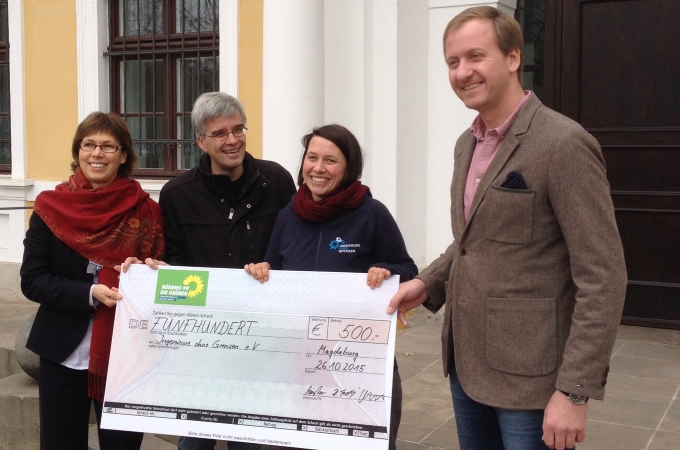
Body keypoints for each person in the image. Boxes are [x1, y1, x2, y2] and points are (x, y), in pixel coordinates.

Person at [386, 6, 627, 450]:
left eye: (475, 56)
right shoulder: (467, 143)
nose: (462, 72)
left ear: (513, 57)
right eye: (452, 62)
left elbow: (604, 277)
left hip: (533, 380)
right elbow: (470, 241)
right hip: (466, 364)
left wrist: (575, 390)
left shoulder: (563, 144)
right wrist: (426, 283)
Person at [125, 92, 296, 450]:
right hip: (204, 339)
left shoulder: (276, 181)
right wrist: (159, 273)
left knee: (249, 438)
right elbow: (174, 260)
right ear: (201, 141)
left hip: (263, 335)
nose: (232, 140)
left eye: (238, 129)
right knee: (196, 436)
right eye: (220, 133)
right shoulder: (177, 194)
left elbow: (290, 245)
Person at [244, 124, 418, 450]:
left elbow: (408, 269)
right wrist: (261, 270)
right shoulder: (288, 216)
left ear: (349, 167)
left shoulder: (372, 214)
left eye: (330, 160)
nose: (318, 168)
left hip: (359, 364)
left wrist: (387, 270)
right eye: (312, 158)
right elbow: (272, 269)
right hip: (300, 363)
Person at [21, 112, 164, 450]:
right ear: (78, 150)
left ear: (124, 155)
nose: (96, 154)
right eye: (89, 145)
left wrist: (155, 271)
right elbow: (33, 280)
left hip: (125, 355)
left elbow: (159, 281)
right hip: (61, 351)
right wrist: (89, 293)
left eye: (107, 146)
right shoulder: (49, 207)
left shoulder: (147, 212)